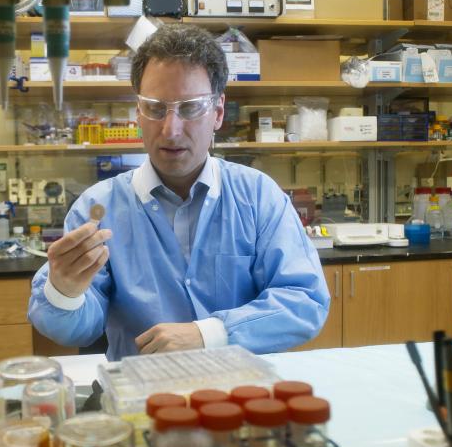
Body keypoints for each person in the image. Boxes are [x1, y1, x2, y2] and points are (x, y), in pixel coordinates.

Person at [28, 25, 330, 361]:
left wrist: (209, 333)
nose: (171, 130)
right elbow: (78, 330)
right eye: (156, 108)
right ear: (139, 113)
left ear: (217, 112)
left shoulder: (258, 198)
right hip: (140, 400)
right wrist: (66, 293)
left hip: (239, 393)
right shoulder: (97, 208)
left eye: (190, 108)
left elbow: (305, 301)